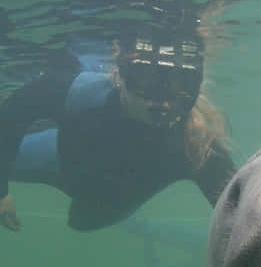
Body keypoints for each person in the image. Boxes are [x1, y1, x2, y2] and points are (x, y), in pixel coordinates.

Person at [0, 27, 235, 233]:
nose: (162, 102)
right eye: (144, 79)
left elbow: (239, 211)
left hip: (107, 200)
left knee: (84, 222)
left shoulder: (197, 144)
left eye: (180, 84)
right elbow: (12, 114)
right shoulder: (81, 92)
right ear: (119, 75)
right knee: (85, 220)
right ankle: (48, 126)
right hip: (61, 162)